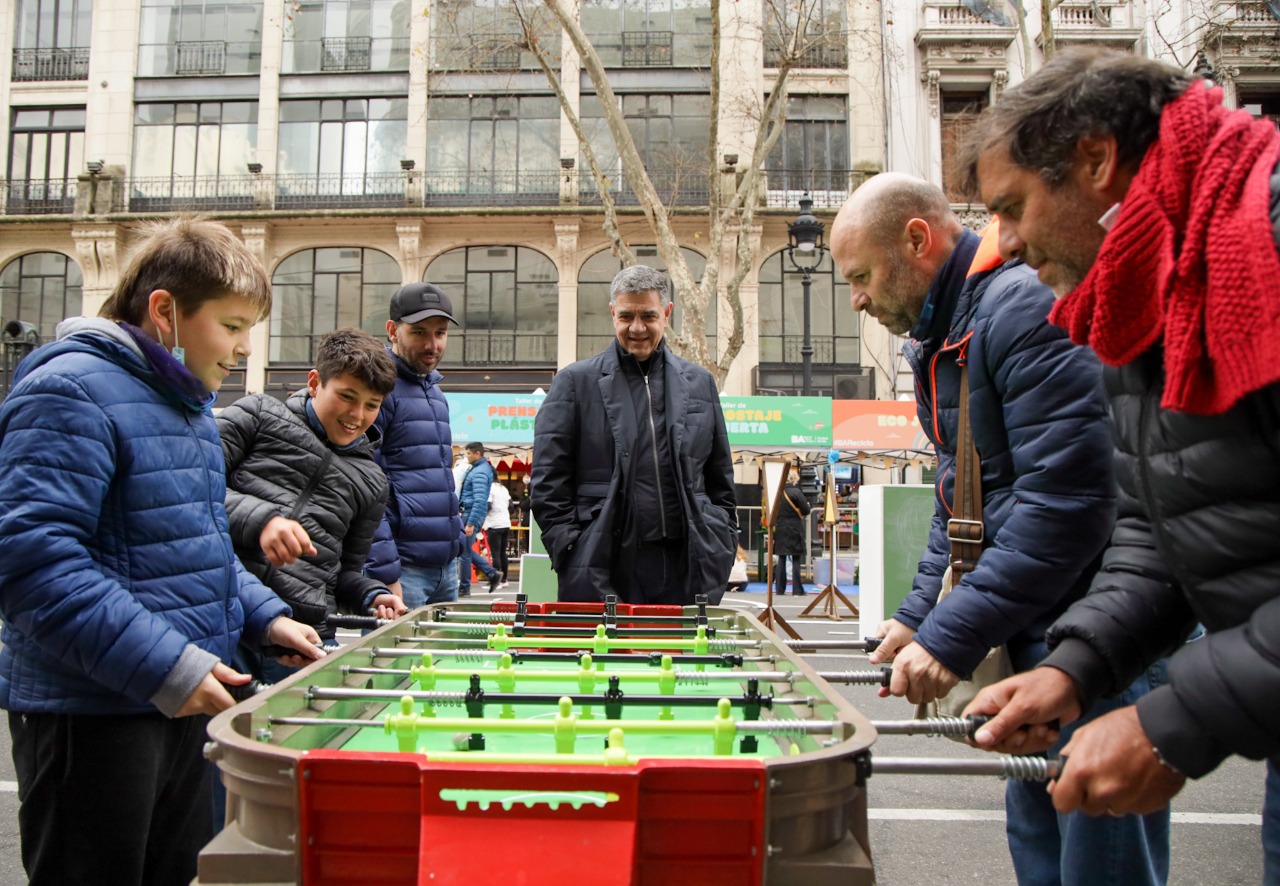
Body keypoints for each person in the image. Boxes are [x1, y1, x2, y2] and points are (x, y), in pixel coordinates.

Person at [957, 47, 1280, 879]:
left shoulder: (1259, 239)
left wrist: (1174, 721)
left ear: (1097, 160)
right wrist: (1077, 666)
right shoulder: (1135, 287)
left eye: (1014, 207)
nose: (1009, 244)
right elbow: (1165, 523)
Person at [829, 173, 1170, 885]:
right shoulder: (944, 333)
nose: (855, 298)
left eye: (860, 276)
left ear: (916, 240)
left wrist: (949, 632)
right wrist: (919, 615)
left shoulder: (1019, 307)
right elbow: (963, 497)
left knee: (1097, 864)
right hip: (1040, 632)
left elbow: (1066, 505)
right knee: (1043, 845)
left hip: (1094, 635)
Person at [0, 217, 323, 885]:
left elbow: (198, 544)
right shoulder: (69, 389)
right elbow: (33, 561)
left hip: (180, 700)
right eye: (231, 326)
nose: (239, 350)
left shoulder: (188, 404)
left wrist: (264, 616)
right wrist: (166, 665)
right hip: (93, 713)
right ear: (165, 311)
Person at [532, 265, 737, 604]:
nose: (637, 328)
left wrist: (722, 537)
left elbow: (719, 476)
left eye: (648, 316)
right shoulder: (574, 382)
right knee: (606, 657)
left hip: (688, 564)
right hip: (601, 561)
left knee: (681, 657)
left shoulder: (699, 383)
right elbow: (547, 479)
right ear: (613, 313)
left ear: (667, 314)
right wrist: (570, 546)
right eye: (627, 316)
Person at [218, 327, 409, 682]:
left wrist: (372, 595)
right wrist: (263, 521)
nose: (357, 414)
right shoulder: (258, 416)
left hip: (297, 643)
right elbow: (189, 492)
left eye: (372, 405)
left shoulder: (372, 481)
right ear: (314, 382)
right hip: (221, 614)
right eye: (347, 396)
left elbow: (344, 574)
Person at [365, 282, 467, 609]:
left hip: (445, 566)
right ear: (393, 331)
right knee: (397, 661)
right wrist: (384, 570)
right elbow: (367, 484)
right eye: (419, 332)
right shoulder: (378, 390)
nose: (432, 344)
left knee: (444, 659)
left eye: (440, 333)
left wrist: (457, 541)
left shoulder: (436, 395)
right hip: (403, 569)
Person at [458, 441, 501, 596]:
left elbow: (480, 500)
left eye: (469, 453)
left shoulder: (480, 472)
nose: (466, 456)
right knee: (464, 549)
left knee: (463, 552)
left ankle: (464, 588)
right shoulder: (478, 469)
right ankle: (491, 574)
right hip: (470, 513)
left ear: (478, 454)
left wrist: (470, 523)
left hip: (470, 514)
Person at [773, 470, 811, 596]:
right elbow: (806, 510)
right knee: (796, 558)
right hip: (794, 528)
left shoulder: (777, 493)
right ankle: (797, 589)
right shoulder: (796, 492)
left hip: (781, 528)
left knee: (781, 558)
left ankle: (779, 588)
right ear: (794, 479)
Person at [485, 476, 513, 589]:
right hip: (505, 523)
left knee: (495, 553)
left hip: (494, 523)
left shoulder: (489, 488)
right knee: (502, 553)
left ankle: (495, 580)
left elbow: (488, 506)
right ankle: (504, 579)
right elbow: (511, 506)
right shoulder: (503, 488)